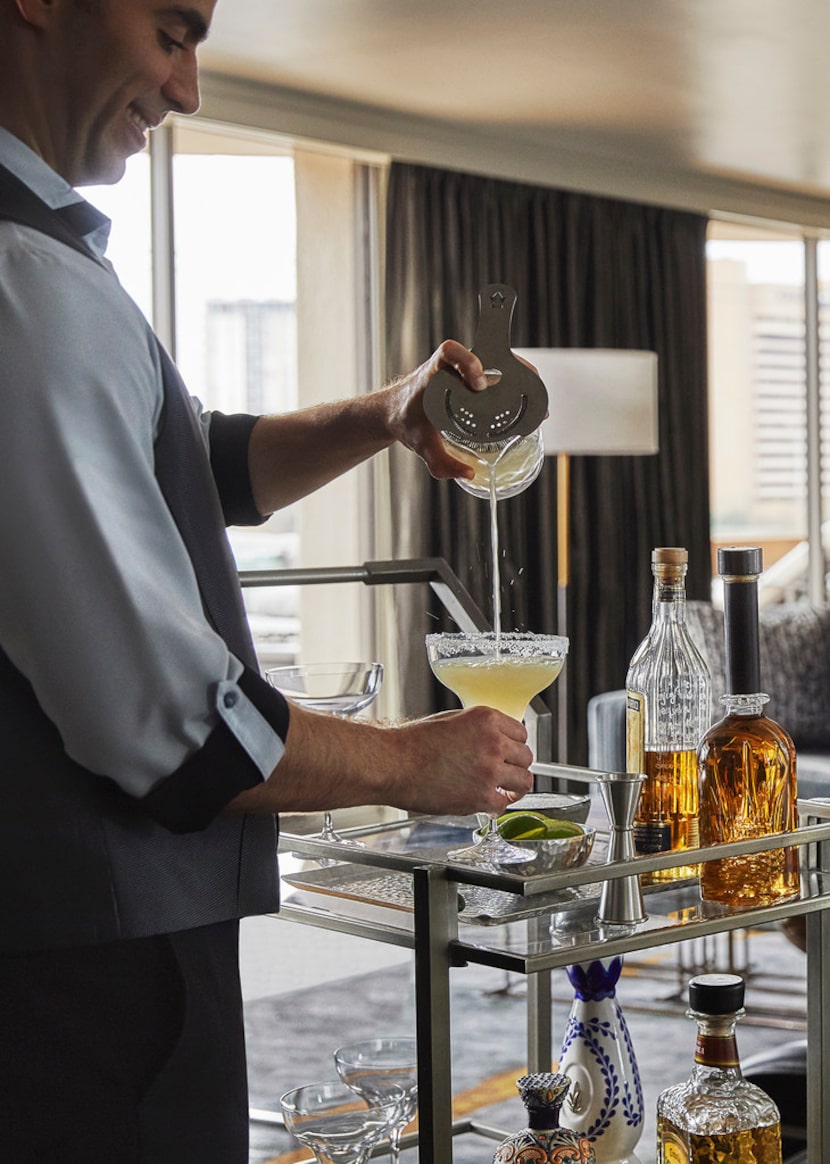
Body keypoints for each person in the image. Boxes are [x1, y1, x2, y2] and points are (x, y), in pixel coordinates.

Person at [0, 1, 534, 1160]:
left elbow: (197, 462)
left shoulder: (42, 269)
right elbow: (165, 723)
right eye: (172, 32)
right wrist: (408, 762)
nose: (187, 89)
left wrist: (386, 414)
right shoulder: (25, 282)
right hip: (83, 974)